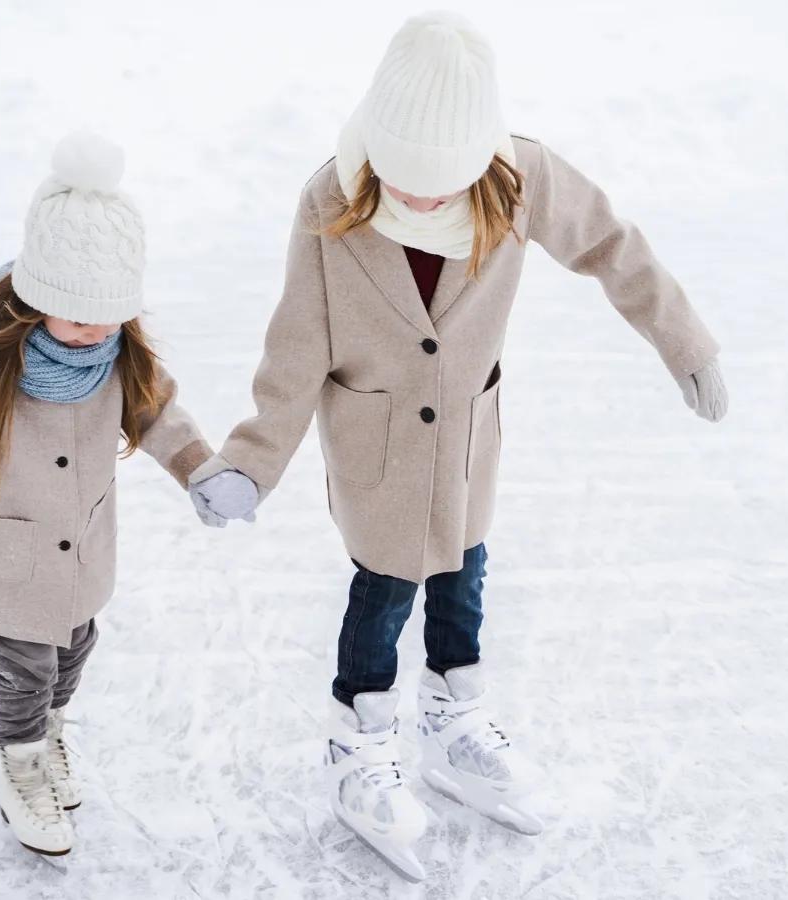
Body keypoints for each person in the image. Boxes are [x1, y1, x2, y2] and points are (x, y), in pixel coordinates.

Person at [185, 11, 729, 880]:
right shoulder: (331, 198)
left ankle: (452, 721)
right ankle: (360, 746)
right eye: (406, 180)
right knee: (384, 591)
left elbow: (611, 246)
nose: (424, 200)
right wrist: (252, 461)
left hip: (469, 443)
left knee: (464, 577)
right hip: (377, 447)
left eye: (442, 182)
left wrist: (684, 343)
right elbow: (297, 343)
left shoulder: (522, 178)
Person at [0, 131, 215, 857]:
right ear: (38, 299)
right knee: (27, 665)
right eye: (78, 315)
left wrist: (202, 471)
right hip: (1, 546)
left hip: (78, 546)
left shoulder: (120, 357)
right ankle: (20, 761)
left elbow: (159, 416)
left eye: (108, 314)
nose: (94, 331)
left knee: (75, 645)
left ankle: (47, 731)